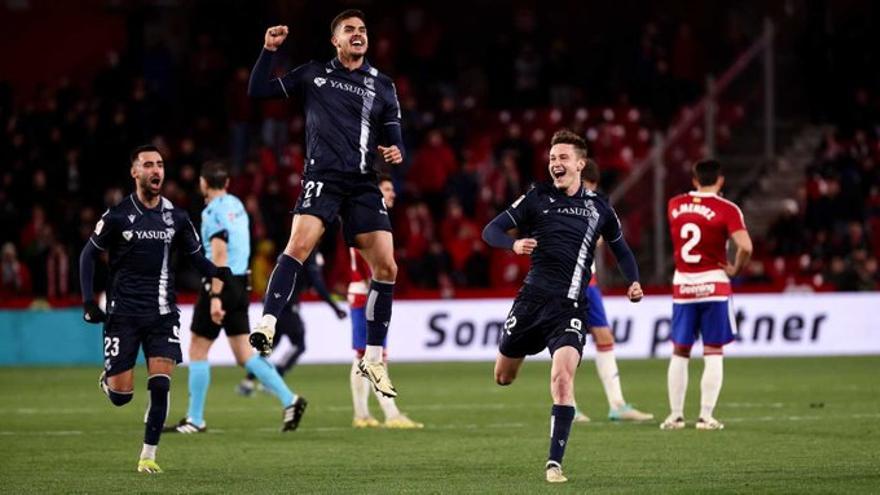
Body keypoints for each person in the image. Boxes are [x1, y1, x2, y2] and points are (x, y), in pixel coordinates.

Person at [247, 9, 404, 398]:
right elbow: (259, 90)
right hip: (324, 177)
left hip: (363, 183)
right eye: (349, 30)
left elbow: (394, 134)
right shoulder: (313, 74)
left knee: (387, 267)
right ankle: (267, 323)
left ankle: (373, 358)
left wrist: (396, 149)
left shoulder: (383, 85)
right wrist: (268, 51)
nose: (358, 34)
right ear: (335, 40)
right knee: (298, 246)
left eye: (362, 29)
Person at [482, 130, 643, 483]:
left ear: (580, 164)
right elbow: (491, 231)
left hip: (570, 308)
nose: (556, 163)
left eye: (563, 157)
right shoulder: (536, 197)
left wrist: (633, 280)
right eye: (552, 158)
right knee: (503, 377)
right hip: (531, 303)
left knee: (562, 379)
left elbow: (621, 250)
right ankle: (525, 349)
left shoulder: (600, 207)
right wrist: (513, 245)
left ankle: (554, 464)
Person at [79, 145, 232, 474]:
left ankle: (148, 456)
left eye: (160, 164)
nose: (156, 170)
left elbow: (195, 257)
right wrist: (89, 302)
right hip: (123, 315)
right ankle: (110, 381)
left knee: (161, 384)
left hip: (162, 314)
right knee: (122, 397)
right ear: (135, 172)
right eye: (148, 165)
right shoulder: (117, 215)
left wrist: (217, 272)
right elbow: (87, 256)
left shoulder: (176, 217)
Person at [164, 161, 307, 435]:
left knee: (197, 349)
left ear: (204, 183)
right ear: (227, 183)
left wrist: (215, 295)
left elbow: (219, 254)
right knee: (244, 354)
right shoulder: (237, 205)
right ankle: (290, 399)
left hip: (221, 282)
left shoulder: (212, 212)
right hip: (242, 282)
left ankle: (195, 419)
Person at [662, 159, 752, 431]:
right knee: (713, 351)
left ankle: (675, 416)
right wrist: (736, 268)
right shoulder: (727, 209)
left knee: (680, 351)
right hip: (714, 285)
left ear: (694, 179)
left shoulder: (674, 205)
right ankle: (705, 417)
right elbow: (746, 246)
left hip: (683, 287)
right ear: (720, 180)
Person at [572, 159, 653, 423]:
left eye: (593, 188)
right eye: (587, 186)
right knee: (567, 342)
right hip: (566, 282)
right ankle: (567, 404)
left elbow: (605, 239)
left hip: (590, 281)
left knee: (604, 336)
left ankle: (617, 405)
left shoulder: (596, 205)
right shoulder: (560, 204)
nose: (590, 192)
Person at [348, 176, 423, 428]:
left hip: (363, 293)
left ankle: (362, 415)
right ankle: (391, 414)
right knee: (374, 355)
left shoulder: (367, 218)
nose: (393, 193)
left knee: (363, 355)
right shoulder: (368, 220)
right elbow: (367, 262)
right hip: (365, 294)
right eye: (387, 189)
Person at [237, 250, 347, 396]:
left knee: (270, 345)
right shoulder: (309, 254)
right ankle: (272, 379)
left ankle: (248, 381)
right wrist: (335, 308)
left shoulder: (289, 251)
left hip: (273, 306)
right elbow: (318, 285)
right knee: (299, 345)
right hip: (288, 307)